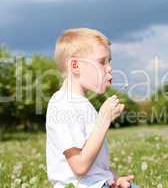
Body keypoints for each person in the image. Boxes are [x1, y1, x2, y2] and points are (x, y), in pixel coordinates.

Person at [46, 28, 139, 188]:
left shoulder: (83, 104)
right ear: (75, 65)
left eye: (109, 61)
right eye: (102, 61)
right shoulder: (63, 105)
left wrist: (116, 180)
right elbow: (80, 166)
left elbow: (96, 166)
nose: (109, 68)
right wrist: (104, 120)